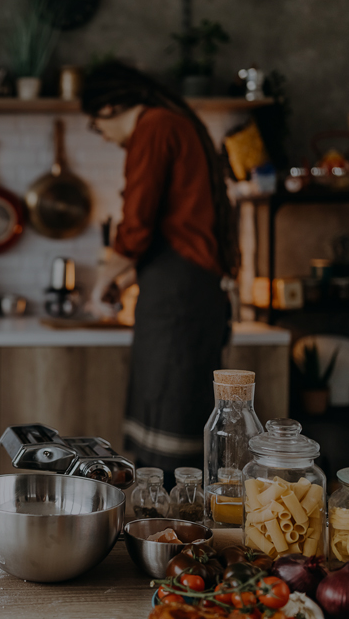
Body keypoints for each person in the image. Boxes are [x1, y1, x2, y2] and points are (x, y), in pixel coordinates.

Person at [83, 61, 238, 484]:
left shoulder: (154, 127)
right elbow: (170, 234)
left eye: (96, 124)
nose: (104, 135)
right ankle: (169, 531)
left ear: (111, 106)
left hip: (180, 300)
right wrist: (126, 278)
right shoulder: (174, 123)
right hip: (188, 292)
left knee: (171, 420)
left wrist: (99, 286)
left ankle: (169, 534)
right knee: (170, 412)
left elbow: (136, 225)